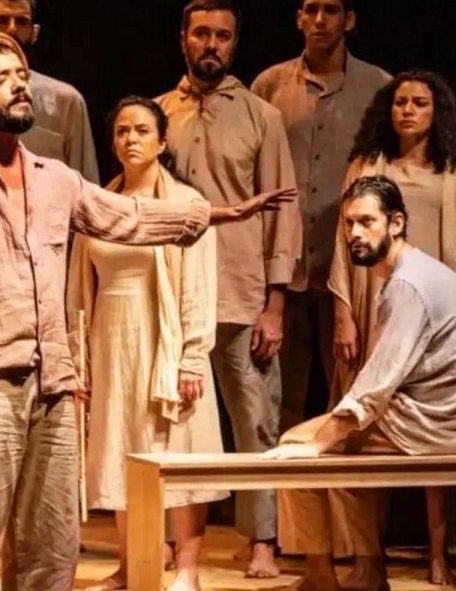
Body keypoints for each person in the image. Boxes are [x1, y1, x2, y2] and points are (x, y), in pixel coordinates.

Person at [0, 32, 293, 591]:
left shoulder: (54, 178)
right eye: (1, 79)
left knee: (51, 544)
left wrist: (216, 215)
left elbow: (128, 216)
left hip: (54, 385)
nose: (20, 86)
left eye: (21, 76)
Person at [156, 0, 302, 577]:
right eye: (201, 34)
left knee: (256, 419)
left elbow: (283, 210)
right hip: (173, 292)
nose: (210, 44)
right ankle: (166, 537)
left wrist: (276, 303)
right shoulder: (159, 112)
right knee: (168, 419)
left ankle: (263, 539)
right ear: (183, 39)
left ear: (234, 44)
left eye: (221, 35)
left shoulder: (262, 116)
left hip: (241, 291)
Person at [67, 95, 228, 591]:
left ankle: (187, 570)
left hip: (165, 338)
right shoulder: (98, 202)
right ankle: (132, 565)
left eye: (141, 130)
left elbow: (199, 285)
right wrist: (77, 359)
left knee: (178, 450)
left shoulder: (185, 204)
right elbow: (77, 286)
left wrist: (192, 357)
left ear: (162, 142)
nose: (130, 139)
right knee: (122, 449)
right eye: (121, 131)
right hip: (112, 340)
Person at [266, 174, 456, 591]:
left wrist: (320, 441)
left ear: (396, 223)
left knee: (297, 446)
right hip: (427, 416)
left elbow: (378, 382)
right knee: (344, 452)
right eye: (349, 223)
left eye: (367, 222)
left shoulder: (408, 284)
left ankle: (321, 576)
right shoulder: (413, 272)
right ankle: (368, 572)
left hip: (430, 424)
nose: (354, 233)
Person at [329, 69, 456, 586]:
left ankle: (438, 552)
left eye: (419, 103)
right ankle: (367, 557)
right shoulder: (368, 166)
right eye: (400, 102)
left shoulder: (449, 172)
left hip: (428, 303)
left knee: (424, 420)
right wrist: (343, 313)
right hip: (371, 298)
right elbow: (344, 243)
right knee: (361, 419)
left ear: (436, 112)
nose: (408, 111)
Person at [251, 0, 390, 431]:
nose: (319, 20)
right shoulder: (270, 85)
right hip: (283, 262)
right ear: (297, 18)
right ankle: (280, 475)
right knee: (277, 398)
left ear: (349, 20)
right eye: (310, 10)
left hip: (351, 266)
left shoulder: (378, 87)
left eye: (330, 10)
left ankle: (347, 475)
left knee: (352, 391)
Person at [0, 0, 99, 182]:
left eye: (22, 22)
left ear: (34, 32)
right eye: (2, 20)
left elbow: (87, 186)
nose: (11, 29)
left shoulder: (65, 101)